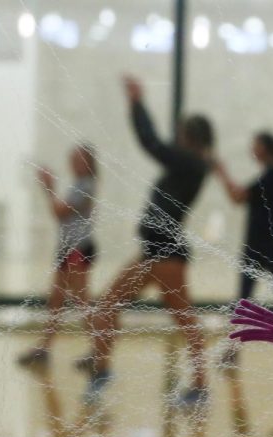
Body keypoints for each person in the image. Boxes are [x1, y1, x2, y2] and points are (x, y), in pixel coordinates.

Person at [81, 74, 214, 406]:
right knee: (109, 306)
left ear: (190, 137)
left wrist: (137, 102)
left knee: (182, 318)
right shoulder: (191, 165)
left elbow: (151, 142)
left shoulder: (192, 162)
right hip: (154, 252)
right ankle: (101, 370)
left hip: (166, 255)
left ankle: (199, 386)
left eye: (181, 133)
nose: (177, 138)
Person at [212, 131, 273, 366]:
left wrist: (221, 172)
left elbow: (237, 196)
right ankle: (232, 352)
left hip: (264, 245)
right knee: (251, 299)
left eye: (256, 145)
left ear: (266, 148)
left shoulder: (272, 176)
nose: (252, 149)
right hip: (258, 245)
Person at [18, 143, 98, 366]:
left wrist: (49, 188)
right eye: (72, 158)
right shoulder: (79, 185)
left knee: (82, 301)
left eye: (79, 159)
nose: (73, 162)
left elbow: (59, 212)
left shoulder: (87, 185)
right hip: (68, 250)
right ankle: (44, 348)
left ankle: (98, 350)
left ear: (89, 163)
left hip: (77, 250)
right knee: (56, 301)